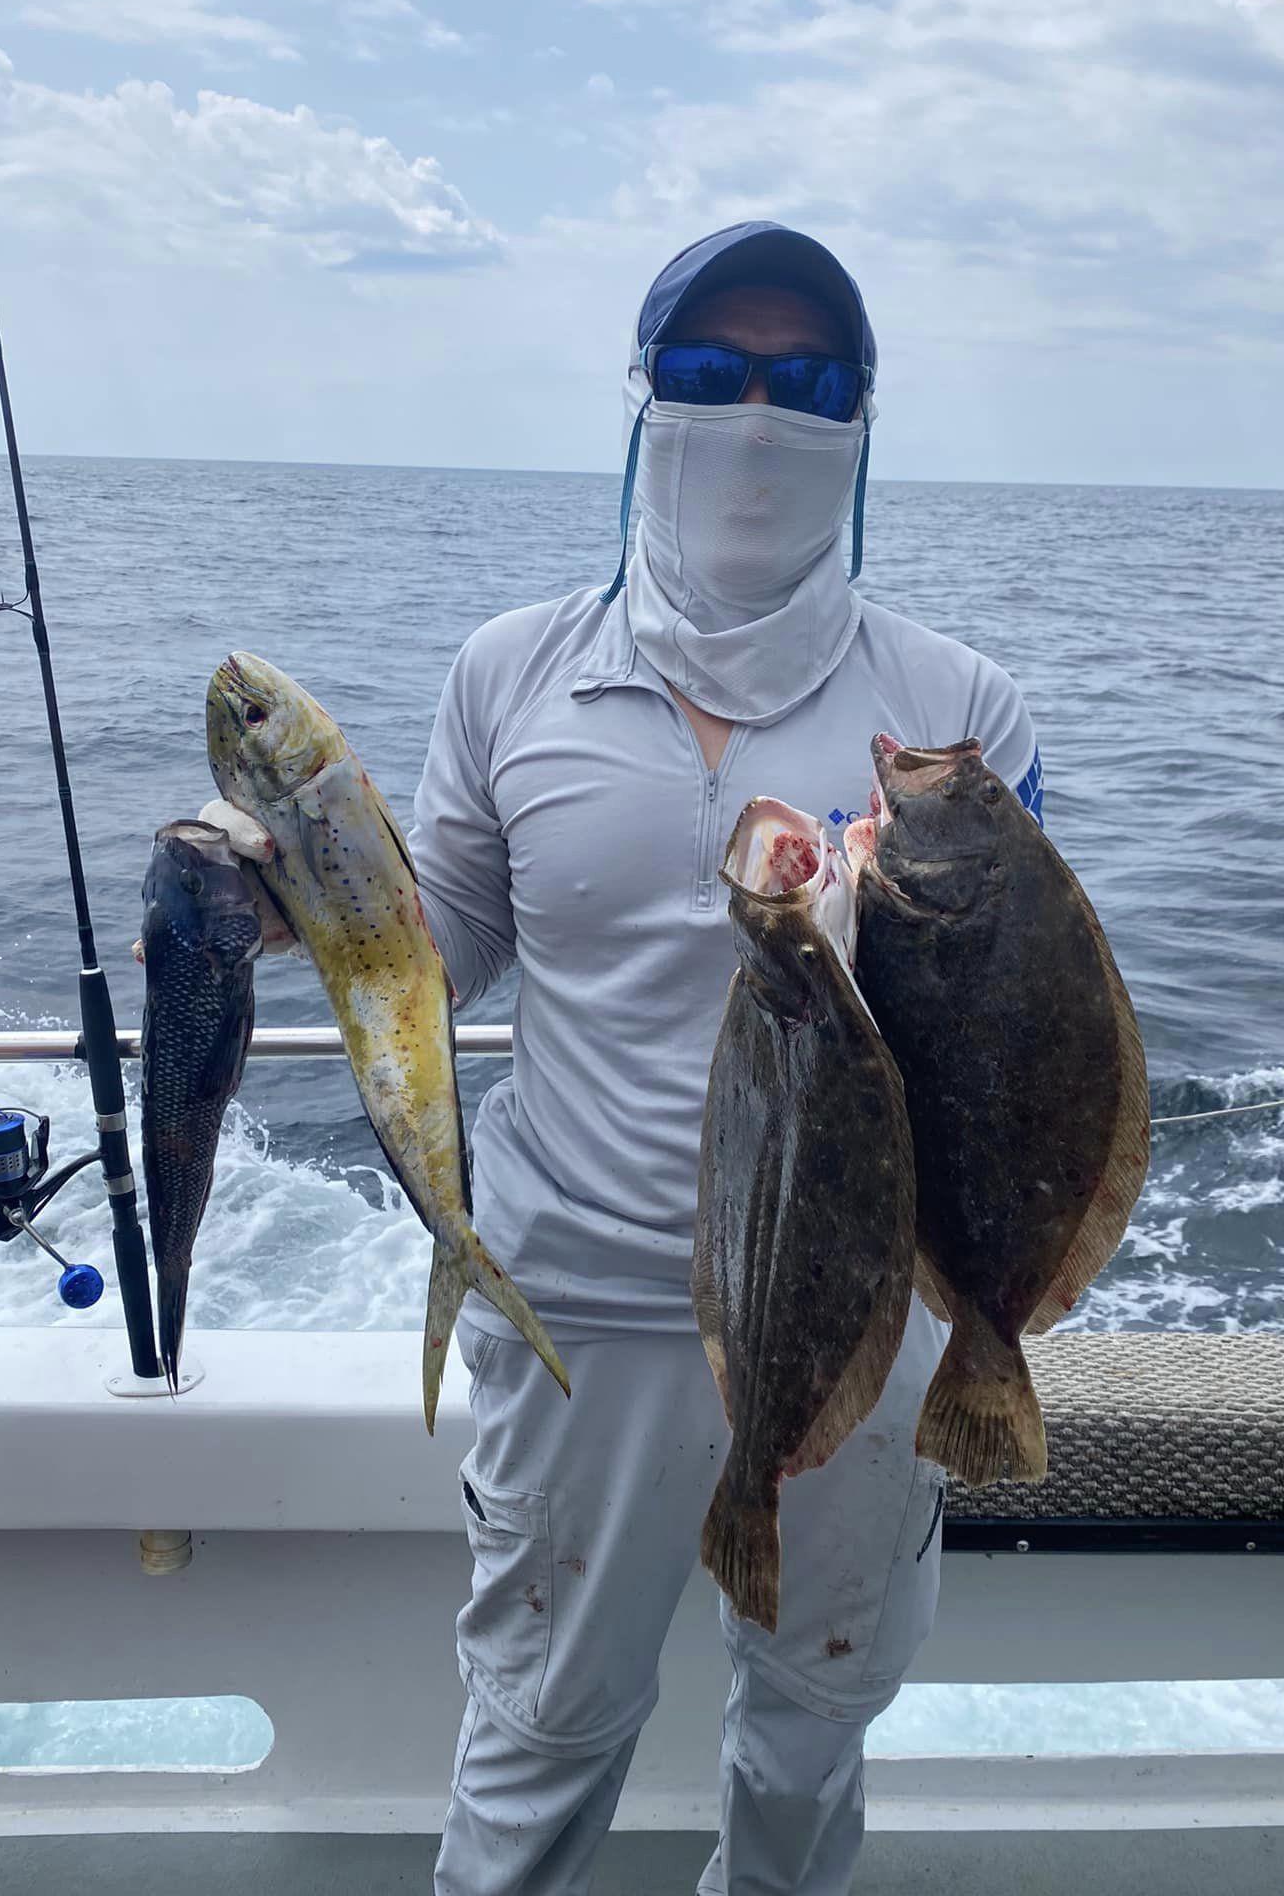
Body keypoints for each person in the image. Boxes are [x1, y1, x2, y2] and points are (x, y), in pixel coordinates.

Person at [206, 222, 1042, 1894]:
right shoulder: (509, 670)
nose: (757, 414)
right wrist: (294, 902)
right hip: (576, 1310)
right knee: (542, 1732)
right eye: (711, 371)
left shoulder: (953, 711)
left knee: (809, 1736)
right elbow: (444, 950)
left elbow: (1002, 1039)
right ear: (644, 397)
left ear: (863, 419)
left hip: (856, 1312)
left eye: (808, 380)